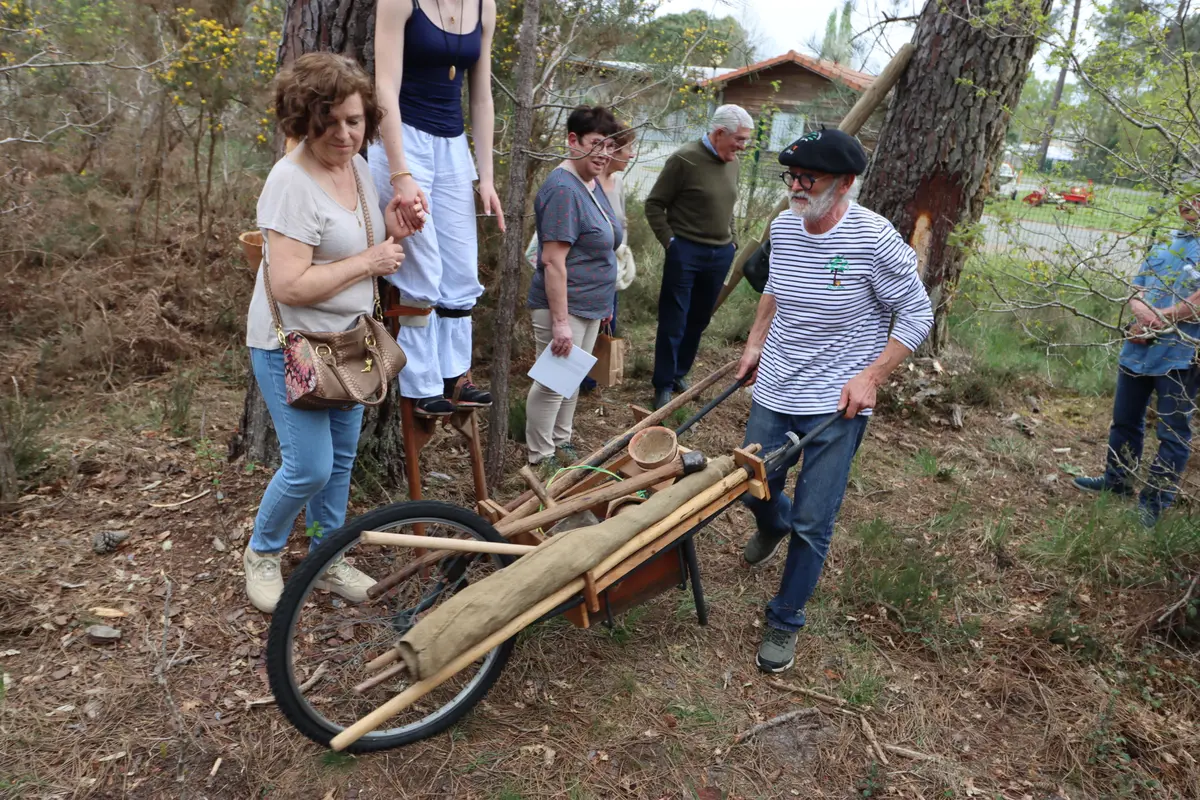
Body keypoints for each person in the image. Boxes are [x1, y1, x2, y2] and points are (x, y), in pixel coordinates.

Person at [735, 129, 933, 673]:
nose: (796, 188)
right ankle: (768, 522)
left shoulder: (873, 239)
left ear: (845, 184)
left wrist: (871, 377)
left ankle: (785, 617)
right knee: (753, 488)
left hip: (837, 397)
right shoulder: (783, 225)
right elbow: (774, 288)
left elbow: (918, 315)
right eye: (791, 177)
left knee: (813, 519)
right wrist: (755, 343)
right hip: (777, 383)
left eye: (809, 179)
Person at [242, 53, 420, 613]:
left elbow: (357, 239)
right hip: (291, 347)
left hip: (348, 340)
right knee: (309, 465)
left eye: (354, 120)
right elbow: (290, 283)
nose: (344, 134)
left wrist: (394, 226)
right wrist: (370, 260)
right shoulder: (290, 182)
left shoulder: (358, 166)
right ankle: (263, 553)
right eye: (330, 122)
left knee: (342, 459)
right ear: (303, 120)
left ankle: (327, 556)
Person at [371, 0, 505, 417]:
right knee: (422, 268)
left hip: (451, 146)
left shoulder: (484, 6)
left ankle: (456, 375)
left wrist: (486, 177)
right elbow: (384, 88)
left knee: (462, 267)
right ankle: (422, 382)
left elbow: (480, 98)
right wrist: (401, 173)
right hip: (403, 140)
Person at [1072, 198, 1200, 526]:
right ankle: (1118, 482)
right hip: (1139, 348)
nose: (1190, 203)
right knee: (1125, 420)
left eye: (1197, 197)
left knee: (1172, 433)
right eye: (1185, 197)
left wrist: (1163, 317)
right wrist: (1141, 319)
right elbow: (1136, 289)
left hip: (1181, 355)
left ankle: (1152, 505)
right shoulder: (1165, 242)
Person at [525, 106, 624, 474]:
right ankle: (540, 456)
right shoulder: (563, 190)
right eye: (596, 144)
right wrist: (561, 322)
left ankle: (561, 442)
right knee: (553, 382)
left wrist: (603, 303)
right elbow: (552, 261)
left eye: (609, 146)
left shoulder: (591, 184)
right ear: (572, 140)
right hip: (563, 306)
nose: (603, 154)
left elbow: (598, 246)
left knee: (571, 380)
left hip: (590, 304)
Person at [645, 104, 754, 409]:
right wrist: (671, 243)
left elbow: (729, 205)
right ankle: (663, 384)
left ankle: (680, 372)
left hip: (719, 254)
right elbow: (654, 204)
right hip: (686, 252)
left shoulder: (731, 161)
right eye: (740, 139)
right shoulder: (684, 158)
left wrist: (732, 240)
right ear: (720, 133)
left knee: (700, 318)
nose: (743, 147)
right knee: (675, 318)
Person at [580, 123, 638, 393]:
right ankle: (563, 386)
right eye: (629, 149)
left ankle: (587, 383)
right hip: (581, 278)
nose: (632, 155)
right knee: (575, 333)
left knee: (604, 325)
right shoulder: (582, 183)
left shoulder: (619, 182)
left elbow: (621, 225)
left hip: (609, 274)